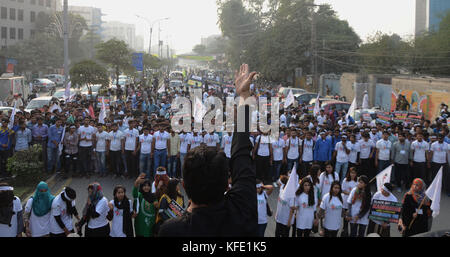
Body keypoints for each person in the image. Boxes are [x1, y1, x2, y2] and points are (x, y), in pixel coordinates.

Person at [158, 63, 258, 237]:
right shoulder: (242, 208)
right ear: (227, 183)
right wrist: (243, 95)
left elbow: (241, 152)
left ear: (184, 185)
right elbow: (241, 151)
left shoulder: (171, 230)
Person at [341, 167, 358, 237]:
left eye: (354, 173)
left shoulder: (357, 181)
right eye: (351, 173)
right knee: (345, 220)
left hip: (354, 203)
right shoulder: (345, 180)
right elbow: (343, 190)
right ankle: (345, 233)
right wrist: (351, 193)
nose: (352, 174)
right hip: (346, 203)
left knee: (352, 221)